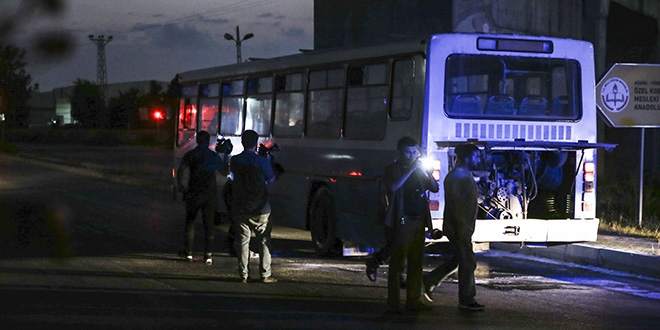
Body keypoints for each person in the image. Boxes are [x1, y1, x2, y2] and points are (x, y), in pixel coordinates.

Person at [423, 143, 485, 311]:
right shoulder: (458, 176)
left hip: (462, 227)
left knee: (459, 259)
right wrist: (462, 230)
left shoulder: (462, 174)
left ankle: (430, 280)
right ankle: (466, 299)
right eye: (476, 156)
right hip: (459, 227)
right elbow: (457, 206)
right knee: (468, 262)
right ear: (466, 157)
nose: (479, 159)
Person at [383, 137, 439, 314]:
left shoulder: (419, 169)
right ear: (399, 152)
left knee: (416, 262)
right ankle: (393, 303)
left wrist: (426, 172)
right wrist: (412, 170)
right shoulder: (394, 168)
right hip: (402, 221)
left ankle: (413, 300)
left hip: (419, 221)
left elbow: (435, 188)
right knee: (398, 264)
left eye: (414, 152)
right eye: (408, 152)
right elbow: (393, 187)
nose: (412, 155)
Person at [230, 130, 277, 283]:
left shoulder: (235, 160)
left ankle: (243, 275)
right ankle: (265, 274)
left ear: (242, 142)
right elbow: (271, 179)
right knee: (264, 240)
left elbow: (232, 176)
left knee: (243, 241)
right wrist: (267, 160)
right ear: (256, 144)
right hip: (260, 208)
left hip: (240, 206)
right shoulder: (261, 161)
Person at [176, 130, 228, 265]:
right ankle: (208, 255)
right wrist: (225, 156)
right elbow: (224, 172)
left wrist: (180, 185)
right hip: (209, 194)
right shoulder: (213, 156)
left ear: (197, 140)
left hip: (193, 192)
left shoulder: (190, 155)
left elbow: (181, 170)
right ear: (208, 141)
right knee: (209, 224)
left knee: (190, 223)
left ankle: (188, 253)